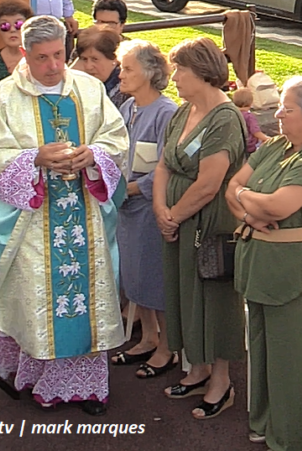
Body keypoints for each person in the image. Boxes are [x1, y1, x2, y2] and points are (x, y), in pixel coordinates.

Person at [0, 15, 128, 415]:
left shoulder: (90, 89)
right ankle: (37, 377)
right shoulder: (3, 97)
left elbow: (115, 138)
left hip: (84, 216)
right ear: (24, 54)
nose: (52, 66)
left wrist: (93, 154)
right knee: (37, 300)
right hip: (31, 221)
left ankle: (88, 386)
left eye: (59, 55)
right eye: (42, 57)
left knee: (86, 298)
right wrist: (34, 158)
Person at [227, 77, 302, 451]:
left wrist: (245, 197)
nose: (277, 113)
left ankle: (292, 437)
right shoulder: (277, 146)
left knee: (291, 357)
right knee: (261, 351)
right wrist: (250, 209)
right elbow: (232, 187)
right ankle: (264, 422)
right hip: (261, 264)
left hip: (294, 270)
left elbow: (279, 206)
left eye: (287, 109)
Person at [153, 37, 246, 419]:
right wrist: (161, 209)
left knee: (212, 298)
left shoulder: (224, 120)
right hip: (178, 218)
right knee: (183, 293)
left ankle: (221, 381)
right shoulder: (183, 111)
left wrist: (172, 216)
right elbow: (164, 165)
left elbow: (209, 183)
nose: (174, 77)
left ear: (204, 74)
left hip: (207, 224)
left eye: (181, 70)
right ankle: (198, 367)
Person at [108, 40, 179, 378]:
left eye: (127, 69)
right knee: (133, 274)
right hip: (127, 207)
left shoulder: (166, 113)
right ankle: (148, 337)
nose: (120, 74)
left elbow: (169, 166)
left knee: (155, 275)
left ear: (150, 73)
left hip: (150, 208)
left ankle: (167, 347)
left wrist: (132, 189)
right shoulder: (127, 108)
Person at [73, 25, 128, 108]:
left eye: (94, 59)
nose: (88, 67)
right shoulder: (84, 83)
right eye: (84, 59)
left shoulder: (124, 89)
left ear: (114, 58)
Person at [231, 87, 269, 153]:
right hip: (250, 147)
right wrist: (268, 139)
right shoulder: (249, 117)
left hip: (237, 146)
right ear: (251, 102)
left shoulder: (233, 114)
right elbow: (256, 132)